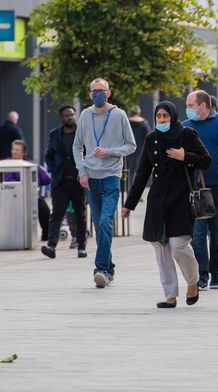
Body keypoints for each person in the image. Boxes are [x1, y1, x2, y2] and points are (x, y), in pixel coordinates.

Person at [122, 102, 212, 308]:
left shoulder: (187, 134)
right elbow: (142, 172)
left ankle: (193, 280)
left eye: (165, 116)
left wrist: (185, 157)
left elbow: (206, 161)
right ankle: (170, 295)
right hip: (157, 200)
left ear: (173, 116)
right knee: (161, 249)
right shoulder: (151, 138)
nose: (162, 120)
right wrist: (130, 204)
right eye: (158, 116)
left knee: (178, 246)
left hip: (181, 198)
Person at [73, 78, 136, 288]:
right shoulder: (84, 115)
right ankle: (109, 269)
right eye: (94, 91)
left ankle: (100, 269)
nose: (98, 93)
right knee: (99, 227)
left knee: (104, 223)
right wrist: (82, 171)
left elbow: (131, 145)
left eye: (102, 90)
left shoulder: (119, 115)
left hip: (111, 176)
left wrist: (109, 151)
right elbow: (77, 147)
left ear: (108, 93)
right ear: (89, 94)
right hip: (91, 178)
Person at [184, 90, 218, 290]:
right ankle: (202, 276)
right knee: (198, 234)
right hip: (195, 188)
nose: (187, 109)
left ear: (204, 105)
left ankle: (217, 274)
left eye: (191, 105)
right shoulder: (185, 127)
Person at [42, 105, 88, 259]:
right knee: (57, 214)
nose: (70, 117)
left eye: (72, 115)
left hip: (78, 181)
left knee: (80, 214)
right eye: (67, 115)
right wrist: (54, 169)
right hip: (60, 182)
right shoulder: (54, 134)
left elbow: (88, 154)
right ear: (61, 118)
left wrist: (84, 172)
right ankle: (51, 246)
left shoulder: (82, 133)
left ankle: (81, 247)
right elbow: (48, 155)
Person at [3, 140, 52, 240]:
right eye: (13, 149)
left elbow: (46, 179)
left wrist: (37, 180)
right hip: (16, 197)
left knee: (45, 210)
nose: (14, 152)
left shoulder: (31, 164)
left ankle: (46, 236)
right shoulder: (8, 164)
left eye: (17, 150)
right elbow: (8, 180)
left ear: (23, 152)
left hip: (33, 196)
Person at [126, 107, 152, 189]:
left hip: (128, 150)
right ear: (139, 113)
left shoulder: (127, 123)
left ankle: (130, 189)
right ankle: (136, 191)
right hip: (141, 151)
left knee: (130, 171)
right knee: (139, 172)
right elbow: (149, 137)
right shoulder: (144, 124)